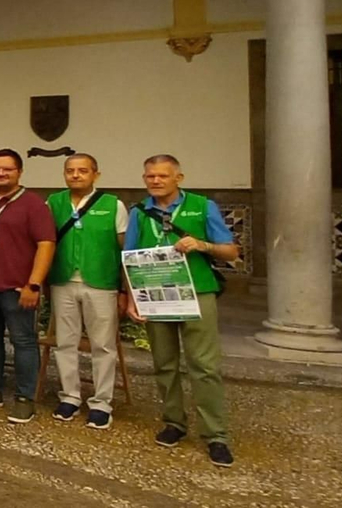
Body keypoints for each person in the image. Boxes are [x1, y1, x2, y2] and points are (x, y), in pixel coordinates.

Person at [125, 154, 239, 468]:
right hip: (155, 292)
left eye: (162, 176)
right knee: (164, 362)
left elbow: (231, 251)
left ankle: (215, 435)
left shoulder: (203, 207)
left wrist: (203, 245)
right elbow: (129, 256)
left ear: (179, 178)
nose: (155, 181)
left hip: (197, 292)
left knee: (204, 365)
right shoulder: (139, 212)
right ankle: (173, 422)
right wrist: (131, 297)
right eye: (150, 176)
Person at [0, 149, 57, 424]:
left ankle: (25, 398)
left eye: (7, 169)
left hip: (17, 288)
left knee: (23, 341)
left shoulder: (34, 205)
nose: (1, 173)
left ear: (19, 172)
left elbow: (46, 245)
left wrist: (34, 284)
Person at [47, 153, 129, 430]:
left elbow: (123, 248)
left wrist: (125, 289)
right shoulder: (53, 203)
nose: (76, 175)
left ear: (96, 174)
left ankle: (102, 402)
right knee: (65, 342)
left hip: (101, 283)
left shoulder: (113, 205)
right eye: (70, 170)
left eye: (83, 170)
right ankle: (70, 396)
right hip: (63, 281)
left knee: (103, 345)